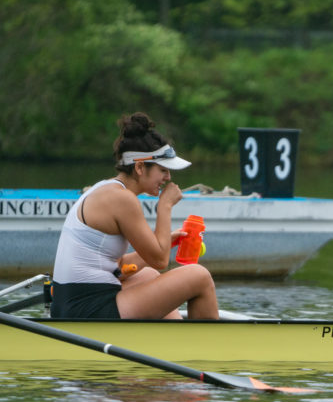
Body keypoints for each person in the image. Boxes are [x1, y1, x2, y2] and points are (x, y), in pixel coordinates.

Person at [50, 112, 218, 320]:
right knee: (198, 276)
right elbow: (160, 259)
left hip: (70, 303)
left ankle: (173, 338)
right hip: (86, 308)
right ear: (139, 167)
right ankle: (203, 349)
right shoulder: (122, 199)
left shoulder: (105, 188)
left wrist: (166, 241)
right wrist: (164, 206)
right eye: (163, 170)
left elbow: (119, 266)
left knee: (147, 275)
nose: (168, 177)